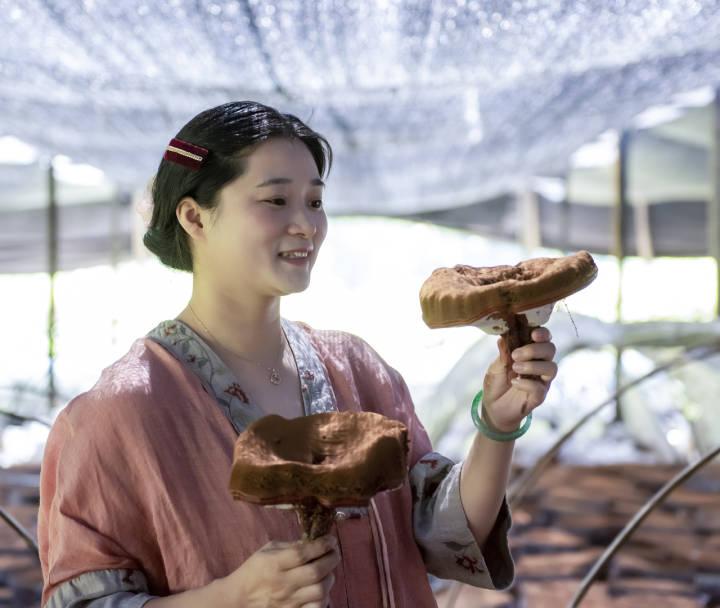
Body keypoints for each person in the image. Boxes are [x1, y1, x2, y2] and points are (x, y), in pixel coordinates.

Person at [37, 101, 558, 608]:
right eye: (275, 201)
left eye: (314, 201)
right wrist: (232, 598)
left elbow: (439, 532)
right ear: (195, 217)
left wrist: (497, 422)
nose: (306, 225)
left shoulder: (358, 370)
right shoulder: (117, 417)